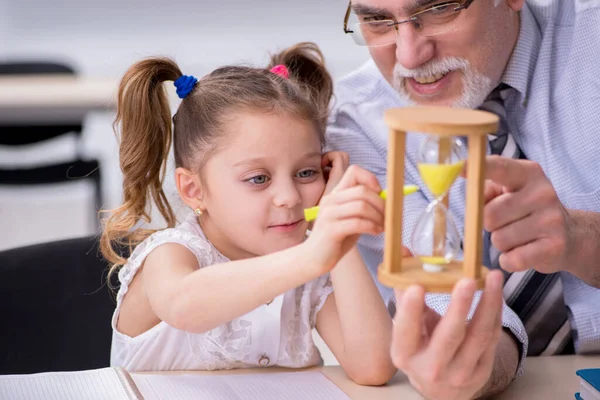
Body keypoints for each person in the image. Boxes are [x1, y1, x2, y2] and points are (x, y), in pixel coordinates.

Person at [327, 0, 600, 398]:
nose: (410, 55)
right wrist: (469, 362)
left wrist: (582, 239)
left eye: (441, 8)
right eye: (377, 21)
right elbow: (449, 296)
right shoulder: (356, 122)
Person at [99, 42, 397, 385]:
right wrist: (315, 254)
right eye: (258, 178)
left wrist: (339, 231)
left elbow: (374, 367)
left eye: (306, 173)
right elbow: (184, 306)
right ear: (194, 190)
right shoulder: (172, 254)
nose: (288, 198)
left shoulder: (310, 267)